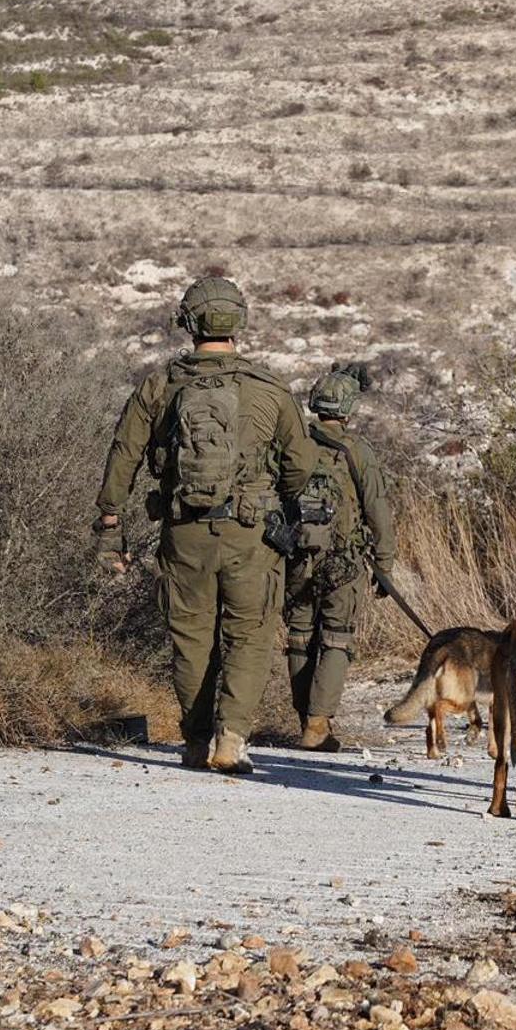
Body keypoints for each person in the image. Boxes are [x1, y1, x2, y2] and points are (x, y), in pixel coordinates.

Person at [94, 276, 317, 775]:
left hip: (184, 533)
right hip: (251, 535)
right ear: (239, 321)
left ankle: (195, 741)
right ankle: (231, 739)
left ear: (188, 323)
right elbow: (301, 466)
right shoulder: (269, 389)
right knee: (250, 634)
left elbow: (124, 455)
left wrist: (110, 522)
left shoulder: (160, 385)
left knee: (191, 638)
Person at [283, 364, 397, 752]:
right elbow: (377, 510)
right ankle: (316, 725)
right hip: (343, 562)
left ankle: (304, 719)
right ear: (348, 409)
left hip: (297, 556)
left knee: (299, 638)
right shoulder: (358, 451)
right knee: (335, 638)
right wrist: (384, 565)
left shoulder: (293, 444)